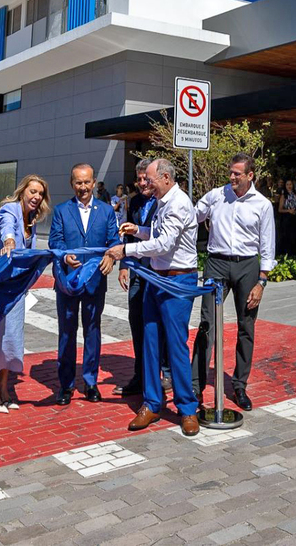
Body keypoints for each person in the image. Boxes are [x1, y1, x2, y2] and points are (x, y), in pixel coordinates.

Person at [107, 159, 200, 437]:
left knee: (175, 345)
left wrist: (126, 250)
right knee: (149, 341)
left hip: (177, 280)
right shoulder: (162, 201)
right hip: (157, 278)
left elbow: (165, 244)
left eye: (150, 179)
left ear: (166, 178)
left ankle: (187, 409)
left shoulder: (178, 203)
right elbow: (158, 235)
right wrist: (138, 231)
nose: (146, 184)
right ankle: (151, 403)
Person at [190, 153, 275, 412]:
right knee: (207, 323)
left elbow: (267, 245)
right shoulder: (217, 195)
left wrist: (261, 282)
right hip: (216, 263)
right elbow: (192, 216)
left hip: (247, 266)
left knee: (246, 326)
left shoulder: (263, 204)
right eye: (231, 172)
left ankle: (239, 385)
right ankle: (196, 386)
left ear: (250, 176)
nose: (232, 177)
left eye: (237, 173)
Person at [0, 175, 50, 412]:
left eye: (40, 194)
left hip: (15, 287)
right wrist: (9, 242)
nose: (36, 197)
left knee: (12, 338)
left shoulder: (32, 220)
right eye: (32, 191)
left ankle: (5, 388)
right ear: (23, 191)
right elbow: (8, 230)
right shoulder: (9, 210)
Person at [49, 163, 124, 405]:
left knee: (92, 331)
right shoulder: (61, 211)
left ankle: (91, 382)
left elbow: (113, 240)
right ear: (72, 184)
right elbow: (55, 241)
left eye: (87, 182)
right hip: (68, 282)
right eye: (78, 183)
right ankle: (66, 385)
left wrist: (111, 256)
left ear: (94, 183)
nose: (83, 187)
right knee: (67, 333)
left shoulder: (106, 211)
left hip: (94, 281)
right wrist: (64, 256)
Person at [115, 159, 170, 398]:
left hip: (159, 271)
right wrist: (124, 266)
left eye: (145, 179)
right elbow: (129, 235)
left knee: (162, 322)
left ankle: (166, 372)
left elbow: (160, 239)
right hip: (137, 268)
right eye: (138, 179)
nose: (141, 183)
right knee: (137, 320)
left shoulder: (163, 201)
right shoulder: (135, 202)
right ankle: (141, 374)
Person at [277, 179, 296, 256]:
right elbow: (280, 209)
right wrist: (288, 211)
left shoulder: (295, 194)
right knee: (288, 237)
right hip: (287, 218)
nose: (289, 186)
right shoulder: (283, 195)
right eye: (287, 184)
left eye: (290, 184)